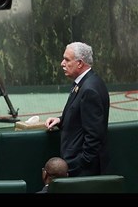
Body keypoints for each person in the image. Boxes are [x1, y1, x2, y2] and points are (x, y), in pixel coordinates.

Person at [45, 42, 110, 177]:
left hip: (83, 170)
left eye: (67, 60)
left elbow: (94, 135)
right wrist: (60, 120)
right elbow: (81, 114)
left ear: (80, 63)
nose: (62, 63)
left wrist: (80, 163)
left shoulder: (89, 90)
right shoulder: (85, 82)